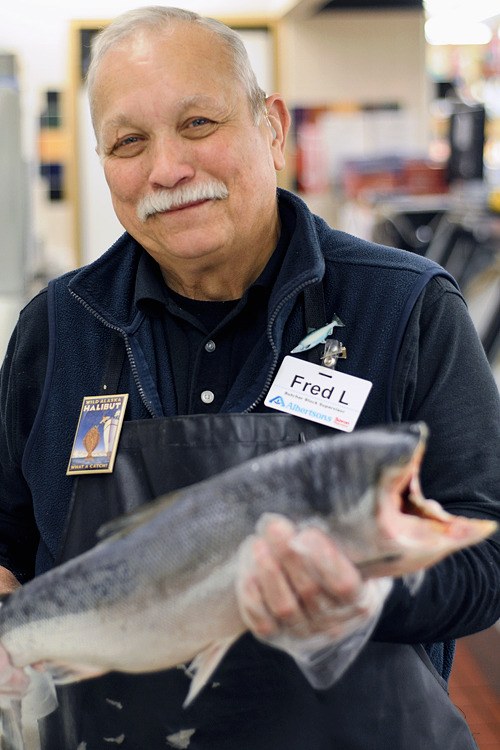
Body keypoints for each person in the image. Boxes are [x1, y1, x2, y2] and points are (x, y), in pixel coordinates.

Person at [0, 6, 498, 749]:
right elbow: (10, 542)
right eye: (129, 141)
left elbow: (485, 557)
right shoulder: (56, 329)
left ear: (272, 126)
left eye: (199, 123)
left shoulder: (405, 309)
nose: (167, 169)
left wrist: (358, 594)